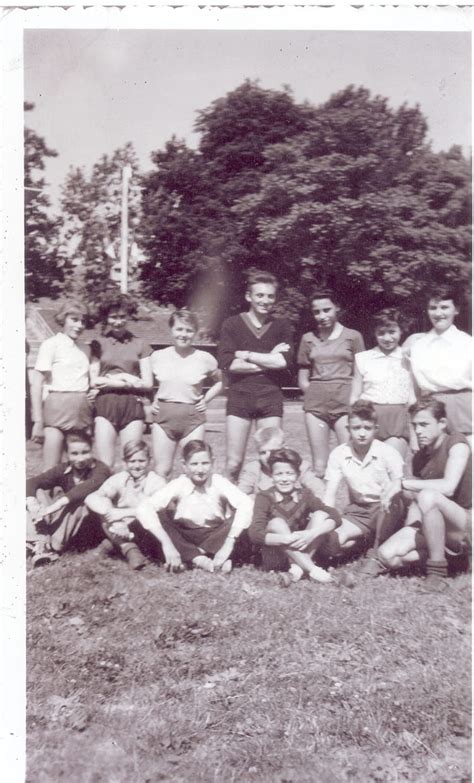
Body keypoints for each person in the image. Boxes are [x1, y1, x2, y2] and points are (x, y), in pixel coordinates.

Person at [369, 397, 471, 590]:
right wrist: (411, 530)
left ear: (442, 423)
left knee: (428, 495)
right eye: (415, 425)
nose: (418, 431)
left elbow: (449, 486)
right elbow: (416, 504)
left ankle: (437, 573)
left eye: (424, 424)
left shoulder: (456, 443)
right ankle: (455, 561)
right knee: (388, 555)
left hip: (466, 523)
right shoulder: (419, 458)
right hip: (439, 527)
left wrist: (403, 483)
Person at [217, 270, 294, 482]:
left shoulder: (281, 325)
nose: (265, 300)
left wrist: (248, 355)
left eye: (270, 296)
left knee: (272, 461)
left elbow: (283, 362)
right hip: (240, 396)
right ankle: (227, 513)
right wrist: (268, 359)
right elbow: (228, 364)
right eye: (260, 295)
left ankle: (268, 512)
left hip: (270, 397)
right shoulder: (232, 324)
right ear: (248, 296)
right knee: (233, 464)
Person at [136, 440, 253, 573]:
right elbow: (145, 507)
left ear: (213, 462)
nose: (200, 470)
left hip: (214, 535)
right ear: (184, 465)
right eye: (194, 464)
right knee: (159, 517)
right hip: (184, 535)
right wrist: (167, 543)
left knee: (240, 519)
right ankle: (200, 559)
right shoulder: (179, 483)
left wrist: (228, 543)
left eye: (205, 463)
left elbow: (246, 503)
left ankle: (191, 557)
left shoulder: (219, 482)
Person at [323, 400, 406, 558]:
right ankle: (365, 541)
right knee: (333, 542)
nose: (362, 433)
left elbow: (399, 484)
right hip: (360, 510)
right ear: (348, 429)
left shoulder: (388, 452)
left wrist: (389, 497)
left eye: (367, 428)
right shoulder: (339, 454)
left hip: (387, 508)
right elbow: (330, 493)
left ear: (376, 429)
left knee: (392, 503)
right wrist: (326, 518)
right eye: (356, 428)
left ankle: (377, 549)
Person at [249, 448, 342, 585]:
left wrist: (311, 534)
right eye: (279, 474)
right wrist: (286, 539)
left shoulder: (305, 495)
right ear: (271, 476)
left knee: (321, 515)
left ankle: (297, 570)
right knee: (277, 523)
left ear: (298, 475)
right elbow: (255, 533)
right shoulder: (264, 497)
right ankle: (314, 571)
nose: (285, 479)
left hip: (301, 549)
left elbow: (335, 516)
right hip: (275, 555)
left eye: (290, 473)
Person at [297, 289, 365, 477]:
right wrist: (311, 392)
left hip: (345, 406)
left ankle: (356, 507)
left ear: (337, 308)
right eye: (317, 312)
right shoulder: (308, 339)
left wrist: (354, 398)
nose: (322, 316)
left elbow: (361, 373)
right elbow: (303, 376)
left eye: (327, 310)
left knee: (352, 463)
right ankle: (322, 507)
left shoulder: (353, 336)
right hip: (316, 408)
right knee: (320, 467)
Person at [149, 309, 222, 479]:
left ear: (195, 333)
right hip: (163, 417)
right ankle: (161, 505)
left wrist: (206, 399)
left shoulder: (205, 358)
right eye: (179, 329)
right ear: (171, 330)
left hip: (192, 418)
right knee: (162, 469)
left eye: (189, 330)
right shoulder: (158, 356)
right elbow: (145, 381)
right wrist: (151, 399)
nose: (183, 334)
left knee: (194, 469)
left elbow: (220, 382)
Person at [26, 429, 110, 566]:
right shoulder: (64, 469)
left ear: (92, 450)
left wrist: (53, 507)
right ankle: (41, 541)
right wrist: (32, 502)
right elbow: (31, 482)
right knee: (38, 492)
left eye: (85, 452)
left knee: (82, 500)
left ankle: (47, 544)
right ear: (67, 454)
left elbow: (83, 490)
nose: (80, 459)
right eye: (74, 454)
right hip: (68, 522)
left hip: (90, 527)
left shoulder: (101, 469)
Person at [90, 294, 154, 468]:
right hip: (105, 404)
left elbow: (148, 383)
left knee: (133, 462)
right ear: (106, 317)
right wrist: (125, 380)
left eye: (122, 317)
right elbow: (94, 381)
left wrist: (116, 379)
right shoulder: (98, 343)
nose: (118, 322)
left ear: (129, 316)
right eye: (113, 317)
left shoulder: (141, 344)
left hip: (132, 405)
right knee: (105, 465)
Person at [403, 285, 472, 444]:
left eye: (444, 307)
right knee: (434, 463)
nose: (438, 313)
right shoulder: (417, 346)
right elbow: (413, 393)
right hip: (430, 409)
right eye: (433, 308)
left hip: (464, 408)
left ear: (456, 310)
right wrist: (414, 433)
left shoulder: (468, 344)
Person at [30, 300, 93, 469]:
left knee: (80, 465)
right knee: (51, 468)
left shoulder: (85, 349)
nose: (80, 325)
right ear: (63, 319)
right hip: (56, 409)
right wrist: (37, 420)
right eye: (74, 319)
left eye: (83, 321)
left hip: (81, 411)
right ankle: (43, 496)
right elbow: (37, 384)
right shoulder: (50, 345)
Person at [85, 440, 166, 570]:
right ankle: (130, 549)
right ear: (124, 463)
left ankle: (112, 545)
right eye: (132, 461)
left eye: (141, 461)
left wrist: (123, 513)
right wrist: (117, 522)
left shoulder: (156, 481)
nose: (137, 466)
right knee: (103, 502)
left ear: (150, 461)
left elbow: (155, 508)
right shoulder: (120, 478)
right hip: (119, 528)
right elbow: (92, 497)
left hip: (146, 528)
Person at [350, 308, 415, 457]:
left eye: (392, 332)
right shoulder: (363, 358)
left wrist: (413, 432)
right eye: (381, 333)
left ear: (400, 331)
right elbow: (354, 396)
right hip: (367, 417)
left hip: (398, 419)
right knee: (367, 471)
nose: (387, 338)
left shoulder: (408, 358)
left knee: (392, 468)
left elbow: (412, 397)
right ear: (374, 333)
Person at [238, 426, 324, 499]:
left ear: (284, 448)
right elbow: (239, 495)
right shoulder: (253, 469)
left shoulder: (300, 466)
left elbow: (319, 489)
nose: (268, 457)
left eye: (273, 451)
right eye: (263, 453)